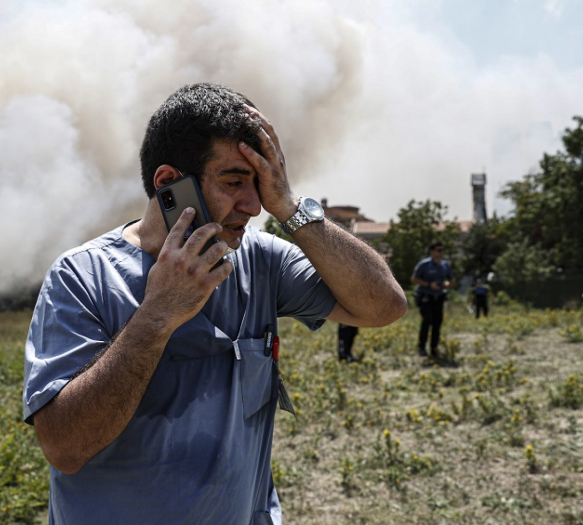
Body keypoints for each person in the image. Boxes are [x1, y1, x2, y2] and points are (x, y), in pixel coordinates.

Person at [22, 83, 407, 525]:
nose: (252, 204)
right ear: (170, 184)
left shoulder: (260, 259)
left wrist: (290, 205)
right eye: (233, 182)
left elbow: (385, 306)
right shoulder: (82, 276)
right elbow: (65, 449)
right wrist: (157, 315)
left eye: (260, 183)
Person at [411, 242, 454, 358]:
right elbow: (414, 279)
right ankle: (421, 347)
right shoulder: (424, 264)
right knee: (427, 320)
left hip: (439, 297)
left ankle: (434, 348)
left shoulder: (445, 265)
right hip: (426, 297)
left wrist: (447, 283)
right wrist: (429, 285)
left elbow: (451, 279)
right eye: (438, 250)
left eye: (442, 250)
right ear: (432, 251)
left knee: (437, 323)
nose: (441, 252)